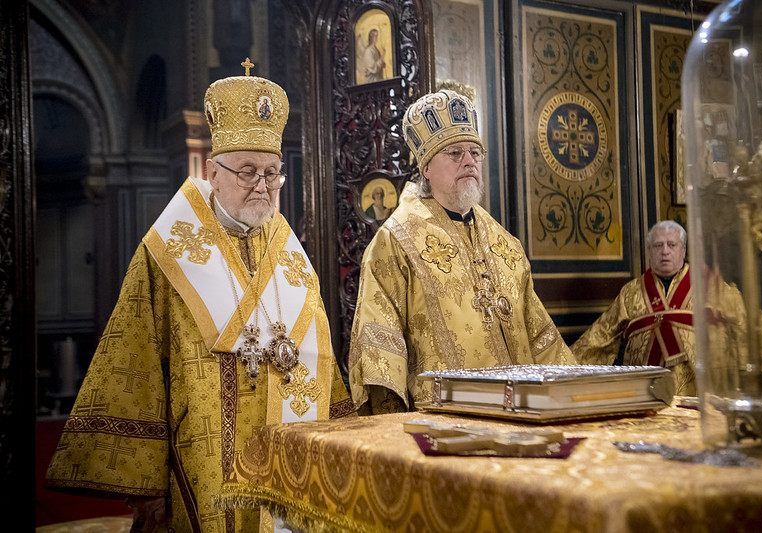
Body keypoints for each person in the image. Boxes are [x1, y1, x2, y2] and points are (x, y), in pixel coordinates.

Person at [45, 59, 354, 532]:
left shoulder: (292, 257)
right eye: (248, 170)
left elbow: (322, 364)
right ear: (213, 170)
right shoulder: (167, 251)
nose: (264, 186)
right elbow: (135, 365)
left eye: (273, 173)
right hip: (201, 463)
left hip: (289, 458)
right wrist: (147, 485)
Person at [348, 89, 575, 414]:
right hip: (444, 422)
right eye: (454, 153)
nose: (469, 161)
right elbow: (380, 350)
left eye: (475, 153)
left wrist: (568, 400)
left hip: (524, 417)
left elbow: (541, 338)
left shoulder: (504, 243)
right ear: (426, 167)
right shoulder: (395, 242)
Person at [570, 220, 699, 393]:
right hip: (642, 392)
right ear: (649, 252)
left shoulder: (706, 287)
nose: (665, 251)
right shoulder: (630, 292)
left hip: (695, 393)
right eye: (658, 245)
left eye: (672, 245)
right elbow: (600, 337)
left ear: (683, 251)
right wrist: (561, 364)